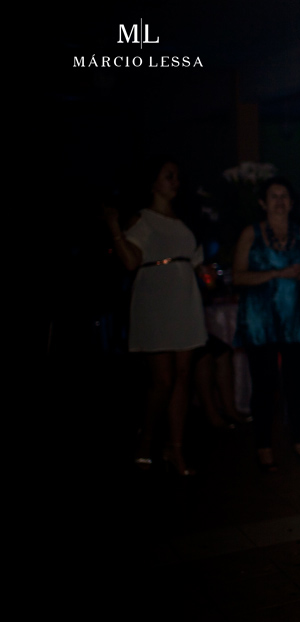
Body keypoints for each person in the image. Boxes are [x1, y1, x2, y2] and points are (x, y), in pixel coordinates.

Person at [105, 157, 207, 475]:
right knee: (161, 380)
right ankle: (145, 440)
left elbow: (198, 263)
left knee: (183, 376)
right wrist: (113, 228)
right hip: (156, 300)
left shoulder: (184, 219)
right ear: (153, 183)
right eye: (168, 176)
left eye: (177, 176)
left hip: (185, 300)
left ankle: (174, 449)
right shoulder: (143, 219)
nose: (175, 181)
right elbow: (130, 262)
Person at [232, 178, 300, 472]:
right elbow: (238, 276)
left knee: (297, 384)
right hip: (261, 319)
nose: (279, 201)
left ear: (292, 202)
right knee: (264, 385)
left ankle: (299, 440)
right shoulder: (250, 233)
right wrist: (275, 273)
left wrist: (297, 275)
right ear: (263, 202)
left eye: (284, 196)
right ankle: (263, 446)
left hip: (295, 318)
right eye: (273, 196)